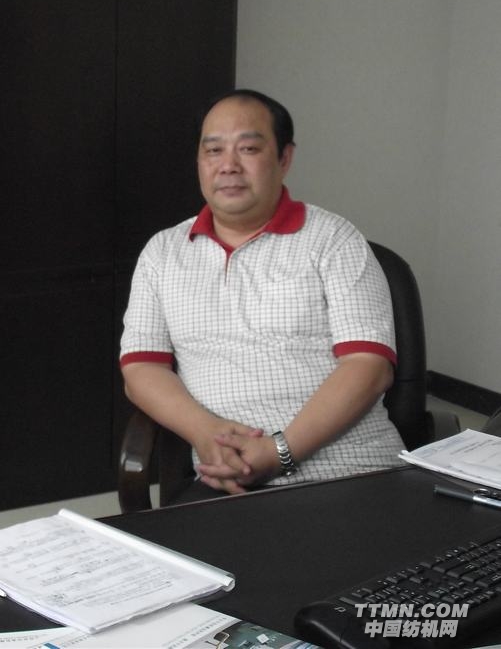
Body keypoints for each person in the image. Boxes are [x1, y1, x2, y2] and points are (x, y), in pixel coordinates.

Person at [119, 89, 404, 497]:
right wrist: (206, 434)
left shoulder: (335, 240)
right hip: (227, 479)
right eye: (213, 150)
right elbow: (141, 369)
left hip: (353, 470)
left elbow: (368, 367)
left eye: (249, 148)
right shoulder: (163, 253)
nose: (228, 166)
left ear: (284, 158)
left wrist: (279, 452)